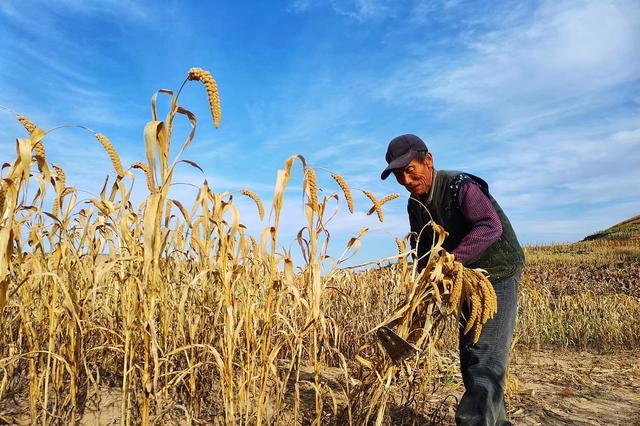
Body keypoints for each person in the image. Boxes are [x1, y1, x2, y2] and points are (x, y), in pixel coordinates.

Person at [381, 134, 525, 426]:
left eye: (410, 170)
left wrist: (450, 261)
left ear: (428, 161)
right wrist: (421, 291)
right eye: (399, 176)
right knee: (471, 355)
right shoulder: (415, 205)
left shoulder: (461, 187)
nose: (407, 180)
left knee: (484, 361)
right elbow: (422, 250)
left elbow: (489, 226)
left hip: (496, 274)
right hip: (465, 280)